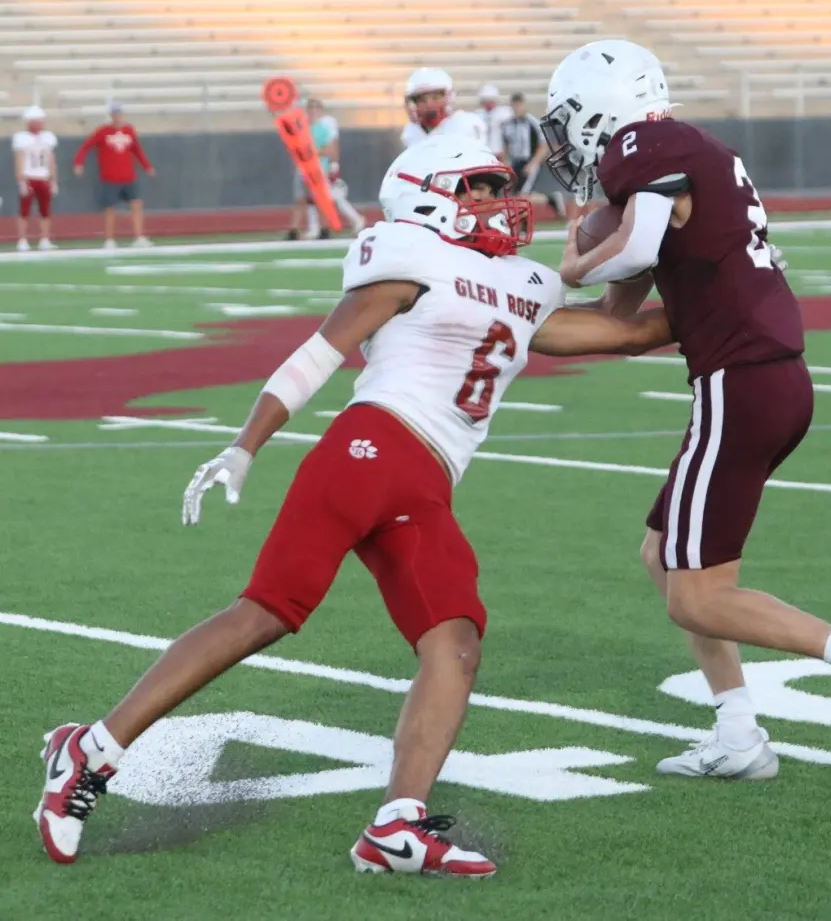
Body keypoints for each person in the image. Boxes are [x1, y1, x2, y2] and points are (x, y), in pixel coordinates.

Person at [33, 135, 671, 874]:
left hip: (427, 484)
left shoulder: (523, 284)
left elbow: (630, 332)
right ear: (428, 198)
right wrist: (246, 444)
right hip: (369, 448)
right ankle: (92, 750)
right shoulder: (409, 259)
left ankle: (398, 825)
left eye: (499, 187)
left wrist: (731, 293)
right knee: (268, 610)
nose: (497, 201)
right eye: (478, 187)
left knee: (456, 643)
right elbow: (319, 353)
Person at [541, 39, 831, 781]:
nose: (566, 143)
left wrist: (571, 265)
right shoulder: (681, 162)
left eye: (567, 122)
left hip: (739, 381)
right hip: (763, 378)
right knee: (662, 554)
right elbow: (618, 323)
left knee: (696, 595)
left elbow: (630, 252)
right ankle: (738, 733)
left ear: (601, 110)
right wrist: (510, 319)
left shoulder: (645, 143)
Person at [72, 102, 155, 249]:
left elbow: (137, 150)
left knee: (136, 204)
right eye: (114, 114)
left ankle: (139, 237)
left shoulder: (129, 130)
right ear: (111, 116)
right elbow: (86, 146)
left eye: (119, 114)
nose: (117, 117)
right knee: (110, 209)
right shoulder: (103, 132)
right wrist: (79, 162)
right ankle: (109, 239)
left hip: (128, 176)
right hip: (110, 178)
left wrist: (147, 166)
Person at [286, 98, 365, 241]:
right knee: (304, 199)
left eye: (316, 108)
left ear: (321, 111)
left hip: (319, 168)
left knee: (323, 199)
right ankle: (308, 229)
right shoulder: (302, 127)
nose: (313, 111)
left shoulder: (324, 127)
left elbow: (330, 149)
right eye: (311, 108)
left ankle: (325, 228)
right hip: (303, 169)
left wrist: (330, 164)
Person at [500, 93, 566, 219]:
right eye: (514, 106)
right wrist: (505, 162)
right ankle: (551, 199)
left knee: (523, 194)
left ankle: (524, 223)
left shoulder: (533, 123)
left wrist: (534, 163)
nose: (516, 108)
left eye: (518, 105)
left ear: (523, 105)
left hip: (529, 161)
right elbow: (506, 145)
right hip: (515, 162)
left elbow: (544, 145)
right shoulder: (508, 124)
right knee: (516, 194)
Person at [400, 68, 487, 148]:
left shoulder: (465, 124)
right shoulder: (411, 132)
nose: (429, 104)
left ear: (448, 97)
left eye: (435, 98)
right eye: (421, 100)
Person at [12, 106, 58, 252]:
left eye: (40, 120)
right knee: (24, 210)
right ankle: (22, 240)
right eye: (36, 120)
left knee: (45, 210)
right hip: (29, 177)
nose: (39, 123)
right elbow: (19, 160)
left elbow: (51, 160)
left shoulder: (48, 137)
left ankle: (45, 239)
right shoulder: (21, 138)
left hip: (43, 178)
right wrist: (21, 180)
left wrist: (54, 180)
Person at [476, 83, 513, 155]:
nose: (488, 104)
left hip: (499, 151)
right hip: (483, 151)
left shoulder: (504, 113)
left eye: (490, 101)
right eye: (485, 101)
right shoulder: (479, 114)